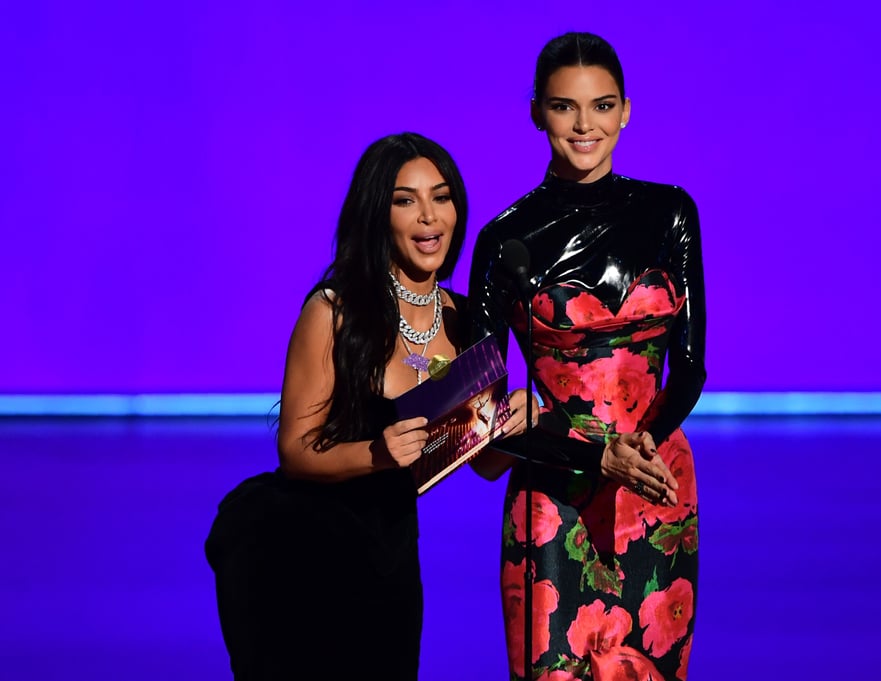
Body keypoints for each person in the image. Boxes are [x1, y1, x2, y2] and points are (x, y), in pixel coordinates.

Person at [204, 132, 532, 679]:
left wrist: (516, 428)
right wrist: (376, 452)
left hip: (390, 556)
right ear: (378, 214)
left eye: (442, 197)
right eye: (406, 200)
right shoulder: (334, 311)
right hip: (298, 553)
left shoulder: (471, 321)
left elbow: (480, 461)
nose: (430, 218)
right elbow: (297, 450)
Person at [468, 32, 707, 680]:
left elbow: (690, 367)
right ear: (537, 112)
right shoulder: (504, 238)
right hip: (554, 482)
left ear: (625, 110)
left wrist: (643, 443)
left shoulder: (671, 212)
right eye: (564, 106)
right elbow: (485, 410)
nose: (584, 125)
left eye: (601, 106)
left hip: (657, 477)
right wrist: (597, 454)